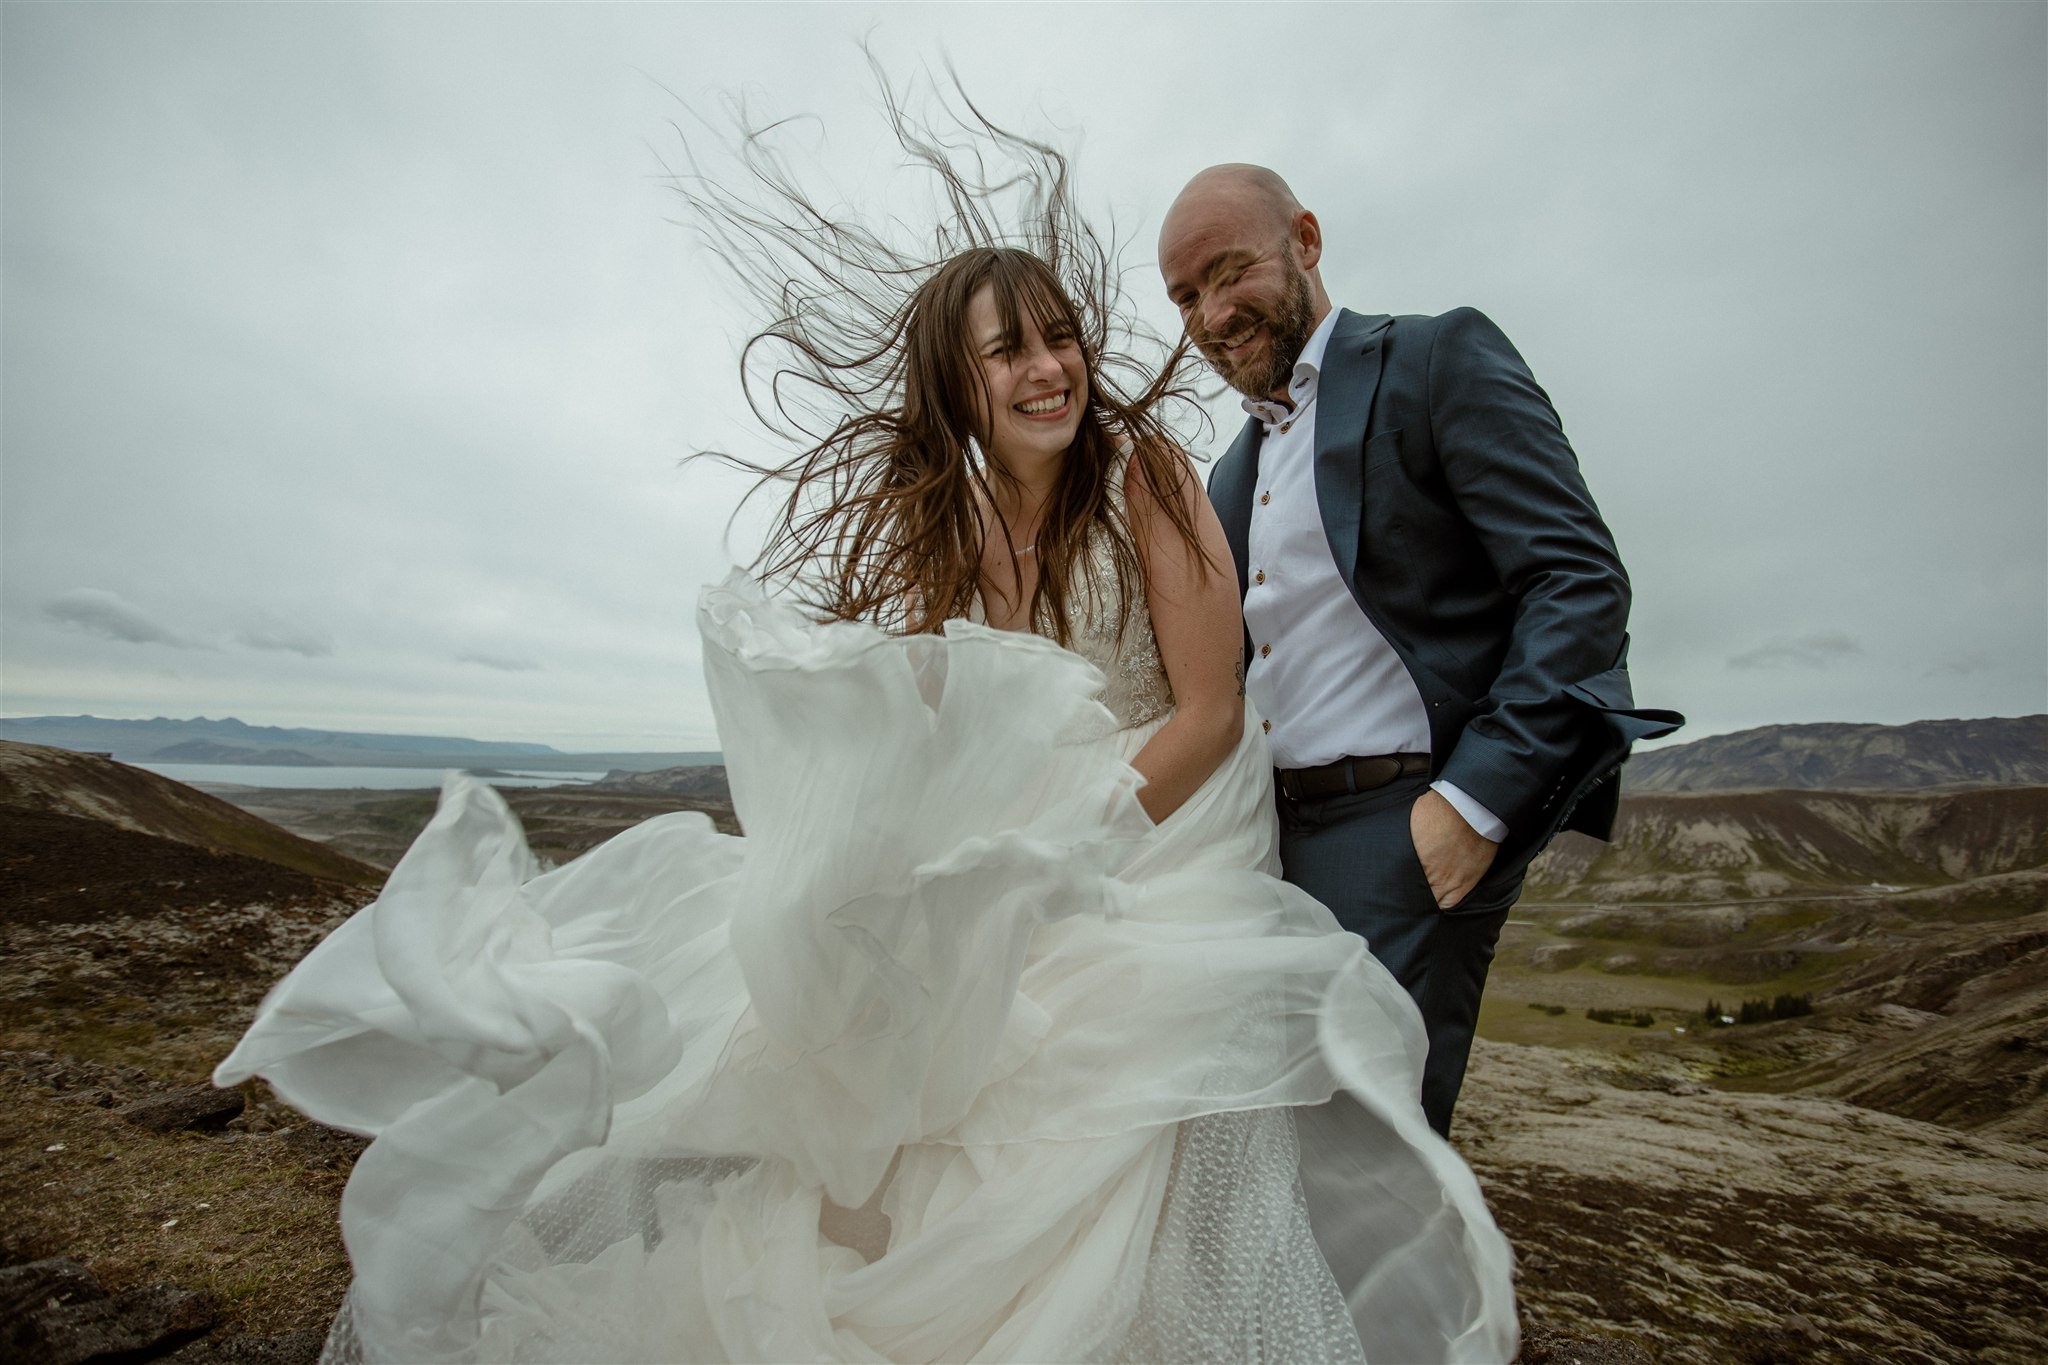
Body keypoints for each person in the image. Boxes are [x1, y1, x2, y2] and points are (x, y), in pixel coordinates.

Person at [215, 119, 1518, 1364]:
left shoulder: (1151, 478)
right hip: (1018, 819)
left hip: (1160, 826)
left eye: (1058, 335)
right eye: (1007, 351)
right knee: (851, 996)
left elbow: (1211, 710)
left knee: (1084, 1063)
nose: (1047, 368)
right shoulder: (943, 529)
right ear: (958, 381)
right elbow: (938, 729)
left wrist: (1059, 849)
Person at [1159, 164, 1683, 1137]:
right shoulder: (1227, 473)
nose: (1210, 313)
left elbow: (1575, 582)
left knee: (1363, 1165)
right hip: (1258, 849)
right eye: (1185, 296)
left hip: (1401, 827)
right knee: (1261, 1158)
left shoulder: (1437, 359)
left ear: (1304, 240)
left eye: (1230, 273)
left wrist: (1471, 804)